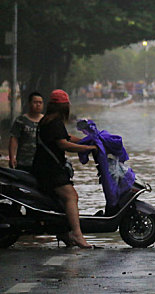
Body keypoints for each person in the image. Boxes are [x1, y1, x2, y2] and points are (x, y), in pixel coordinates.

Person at [32, 89, 98, 249]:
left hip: (43, 166)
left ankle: (63, 232)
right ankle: (77, 233)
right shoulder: (54, 122)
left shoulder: (47, 120)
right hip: (50, 170)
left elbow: (66, 137)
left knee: (59, 201)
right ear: (64, 107)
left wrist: (86, 141)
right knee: (71, 197)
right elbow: (63, 144)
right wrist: (85, 149)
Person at [8, 92, 44, 172]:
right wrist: (12, 157)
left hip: (41, 162)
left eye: (40, 102)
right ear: (29, 103)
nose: (38, 105)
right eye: (35, 102)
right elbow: (14, 139)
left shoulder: (46, 121)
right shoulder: (20, 121)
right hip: (23, 162)